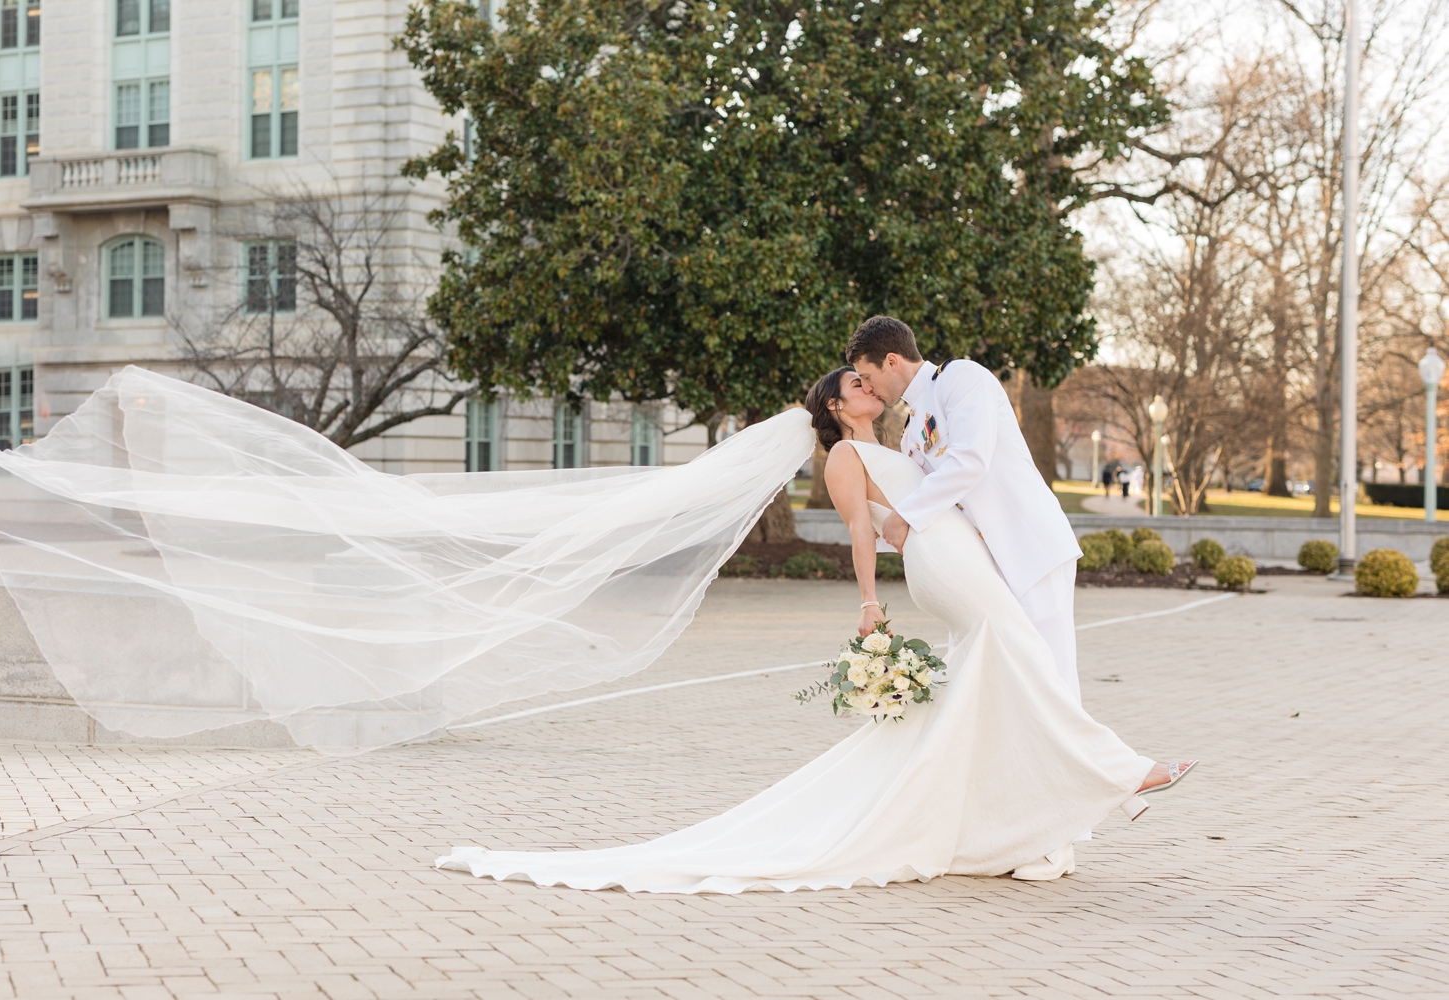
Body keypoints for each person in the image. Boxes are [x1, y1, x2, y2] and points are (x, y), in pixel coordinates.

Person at [434, 365, 1195, 891]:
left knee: (996, 676)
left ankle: (1038, 818)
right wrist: (868, 604)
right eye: (856, 385)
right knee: (1019, 656)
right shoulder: (843, 459)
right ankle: (1117, 775)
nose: (869, 388)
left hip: (960, 553)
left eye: (868, 379)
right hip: (939, 564)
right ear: (837, 407)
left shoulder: (899, 441)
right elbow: (865, 531)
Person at [847, 317, 1083, 701]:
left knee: (1049, 671)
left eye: (866, 375)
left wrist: (905, 514)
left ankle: (1084, 760)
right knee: (1009, 675)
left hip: (1028, 545)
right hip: (983, 564)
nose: (867, 386)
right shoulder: (910, 431)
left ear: (892, 360)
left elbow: (971, 461)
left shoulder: (961, 378)